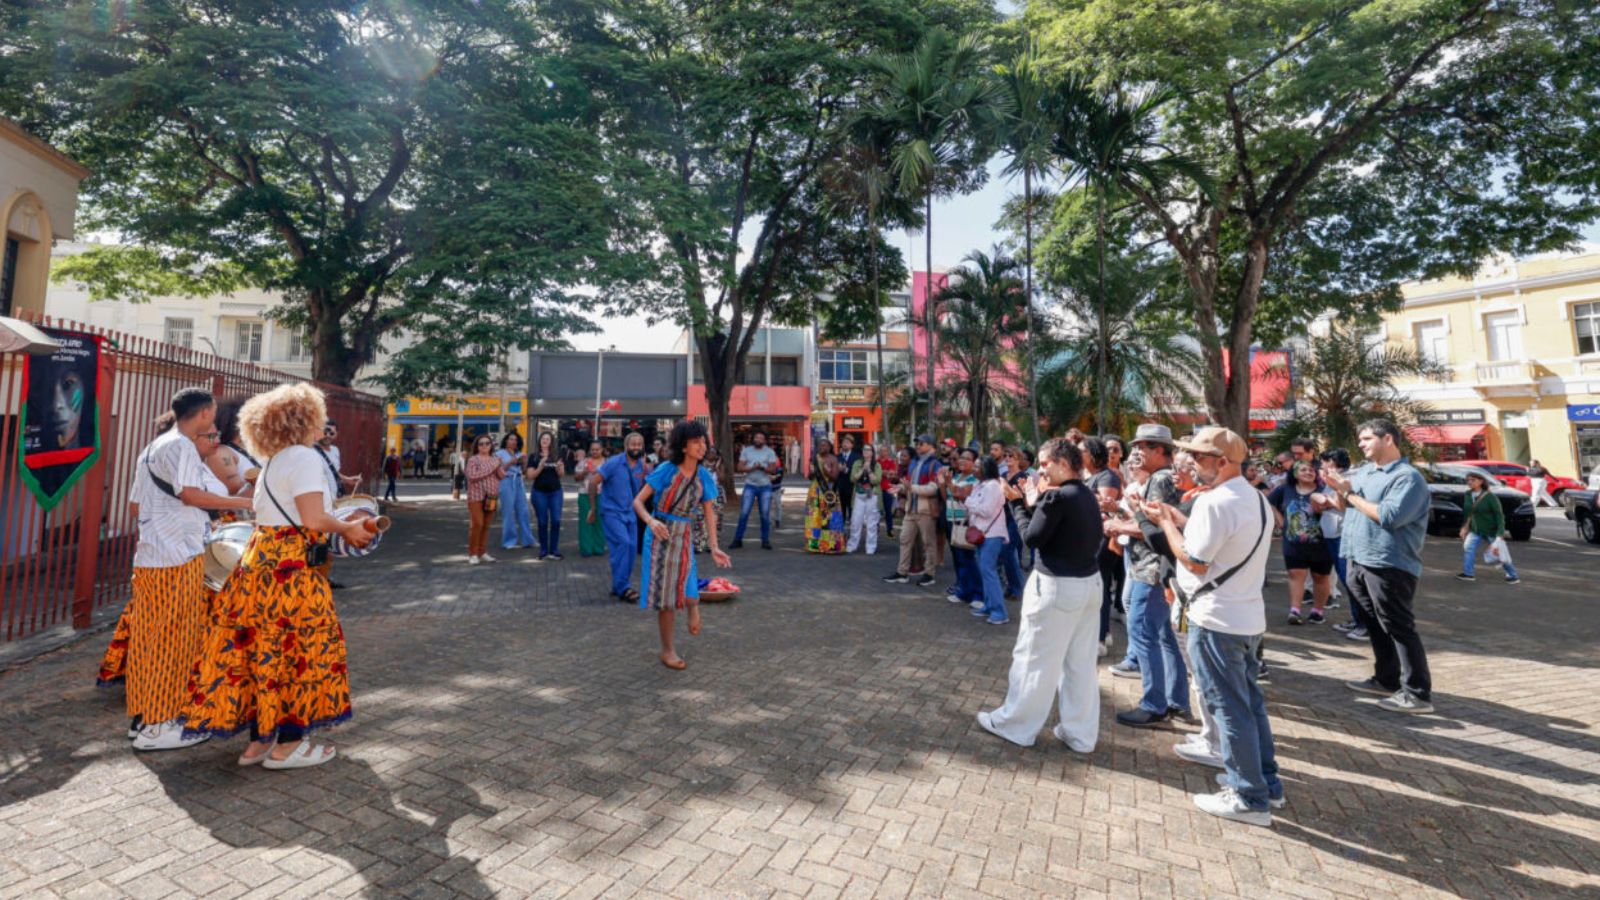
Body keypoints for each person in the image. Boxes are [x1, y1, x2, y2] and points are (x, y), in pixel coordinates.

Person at [182, 383, 373, 768]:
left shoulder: (273, 460)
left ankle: (258, 744)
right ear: (303, 420)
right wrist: (350, 529)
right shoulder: (304, 457)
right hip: (290, 567)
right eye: (317, 416)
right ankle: (288, 745)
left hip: (258, 563)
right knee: (302, 651)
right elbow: (314, 519)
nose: (323, 423)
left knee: (262, 651)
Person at [1144, 426, 1283, 826]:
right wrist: (1176, 517)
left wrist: (1167, 525)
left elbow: (1195, 561)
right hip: (1246, 616)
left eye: (1199, 458)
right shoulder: (1253, 498)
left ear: (1221, 462)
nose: (1191, 464)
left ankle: (1248, 795)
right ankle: (1266, 784)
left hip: (1216, 619)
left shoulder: (1216, 502)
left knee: (1229, 708)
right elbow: (1221, 544)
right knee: (1250, 704)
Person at [118, 390, 252, 751]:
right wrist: (243, 502)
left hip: (152, 557)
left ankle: (145, 718)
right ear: (206, 413)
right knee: (172, 643)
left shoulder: (155, 447)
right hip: (176, 557)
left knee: (149, 642)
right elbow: (191, 495)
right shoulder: (180, 447)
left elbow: (134, 506)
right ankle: (159, 727)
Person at [977, 438, 1104, 750]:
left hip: (1058, 586)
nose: (1041, 471)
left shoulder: (1060, 497)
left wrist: (1016, 503)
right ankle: (1080, 733)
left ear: (1063, 463)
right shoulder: (1085, 494)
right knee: (1080, 664)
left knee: (1035, 658)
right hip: (1088, 585)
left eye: (1045, 464)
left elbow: (1032, 538)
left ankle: (1016, 724)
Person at [1322, 419, 1436, 714]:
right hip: (1357, 557)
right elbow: (1344, 505)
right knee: (1374, 623)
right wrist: (1338, 488)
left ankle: (1417, 693)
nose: (1361, 444)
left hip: (1388, 562)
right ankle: (1386, 678)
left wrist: (1349, 493)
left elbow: (1389, 516)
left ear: (1389, 440)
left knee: (1398, 625)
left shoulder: (1407, 478)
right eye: (1360, 439)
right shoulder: (1365, 472)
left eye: (1367, 438)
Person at [1106, 423, 1189, 728]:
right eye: (1137, 446)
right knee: (1164, 635)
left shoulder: (1160, 479)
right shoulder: (1163, 477)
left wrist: (1118, 526)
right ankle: (1176, 700)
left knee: (1143, 632)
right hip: (1158, 567)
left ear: (1159, 450)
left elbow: (1153, 529)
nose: (1137, 452)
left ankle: (1154, 703)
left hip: (1151, 568)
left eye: (1143, 446)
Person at [634, 420, 732, 670]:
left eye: (703, 441)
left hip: (684, 535)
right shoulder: (666, 469)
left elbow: (710, 513)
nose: (702, 446)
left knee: (688, 587)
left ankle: (693, 608)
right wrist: (650, 521)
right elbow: (637, 502)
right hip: (660, 536)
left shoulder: (704, 476)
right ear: (683, 446)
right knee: (666, 596)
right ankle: (667, 650)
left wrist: (714, 546)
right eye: (696, 442)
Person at [1268, 460, 1333, 625]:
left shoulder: (1323, 490)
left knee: (1321, 577)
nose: (1308, 472)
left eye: (1311, 470)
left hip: (1321, 544)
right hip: (1293, 544)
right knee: (1296, 575)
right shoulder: (1284, 490)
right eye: (1303, 469)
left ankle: (1318, 611)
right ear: (1295, 474)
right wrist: (1280, 520)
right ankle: (1294, 611)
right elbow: (1269, 502)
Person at [1082, 437, 1124, 658]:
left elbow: (1106, 509)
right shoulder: (1091, 476)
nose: (1079, 455)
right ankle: (1103, 631)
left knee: (1100, 585)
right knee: (1100, 585)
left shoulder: (1107, 476)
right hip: (1091, 538)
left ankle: (1099, 637)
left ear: (1093, 454)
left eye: (1083, 451)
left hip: (1103, 540)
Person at [883, 435, 943, 587]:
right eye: (917, 443)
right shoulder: (915, 462)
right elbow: (909, 483)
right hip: (911, 508)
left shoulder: (935, 464)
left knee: (928, 543)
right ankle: (902, 572)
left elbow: (934, 488)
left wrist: (910, 488)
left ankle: (929, 574)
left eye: (921, 443)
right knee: (904, 540)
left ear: (931, 446)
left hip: (926, 509)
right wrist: (901, 487)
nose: (918, 446)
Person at [598, 433, 650, 602]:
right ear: (626, 445)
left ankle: (618, 585)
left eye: (639, 444)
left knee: (631, 549)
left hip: (630, 513)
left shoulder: (642, 467)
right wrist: (593, 508)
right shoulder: (613, 463)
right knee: (623, 544)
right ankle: (624, 587)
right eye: (633, 444)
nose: (636, 447)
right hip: (612, 512)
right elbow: (593, 482)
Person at [963, 456, 1012, 625]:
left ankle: (1000, 611)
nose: (974, 469)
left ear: (986, 469)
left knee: (989, 572)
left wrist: (967, 500)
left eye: (977, 466)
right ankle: (989, 605)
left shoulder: (993, 487)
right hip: (981, 534)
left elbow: (986, 511)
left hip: (992, 535)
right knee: (984, 571)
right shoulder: (979, 485)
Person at [1457, 470, 1522, 585]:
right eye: (1468, 480)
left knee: (1499, 553)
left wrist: (1500, 533)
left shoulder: (1490, 497)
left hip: (1491, 530)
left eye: (1473, 480)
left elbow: (1499, 515)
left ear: (1481, 481)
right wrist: (1464, 527)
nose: (1470, 482)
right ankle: (1468, 574)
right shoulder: (1468, 494)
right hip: (1475, 530)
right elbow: (1468, 513)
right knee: (1468, 549)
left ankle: (1513, 575)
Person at [731, 430, 778, 550]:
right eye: (756, 437)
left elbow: (773, 470)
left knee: (764, 515)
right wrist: (752, 468)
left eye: (761, 438)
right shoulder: (747, 450)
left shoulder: (770, 452)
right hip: (749, 486)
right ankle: (737, 539)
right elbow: (739, 467)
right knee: (744, 514)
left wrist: (762, 468)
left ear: (765, 440)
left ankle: (765, 540)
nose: (758, 440)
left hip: (765, 486)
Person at [464, 435, 505, 564]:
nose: (484, 446)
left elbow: (501, 475)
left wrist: (500, 466)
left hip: (492, 496)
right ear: (477, 446)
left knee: (486, 525)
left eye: (487, 443)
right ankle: (473, 553)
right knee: (477, 524)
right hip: (476, 496)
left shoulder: (495, 459)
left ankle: (482, 552)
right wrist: (492, 467)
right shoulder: (473, 460)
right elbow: (472, 476)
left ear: (491, 445)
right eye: (481, 444)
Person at [527, 432, 565, 560]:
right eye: (543, 438)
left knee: (556, 520)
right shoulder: (534, 456)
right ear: (539, 441)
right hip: (539, 492)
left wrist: (559, 468)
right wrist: (540, 466)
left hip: (555, 492)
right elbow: (530, 476)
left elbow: (561, 474)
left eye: (548, 439)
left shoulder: (556, 455)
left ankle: (554, 549)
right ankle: (543, 549)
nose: (545, 440)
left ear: (551, 441)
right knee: (542, 521)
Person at [496, 432, 535, 550]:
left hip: (518, 481)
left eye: (515, 440)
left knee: (523, 511)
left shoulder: (520, 453)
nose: (513, 442)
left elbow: (524, 472)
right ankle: (509, 541)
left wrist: (524, 463)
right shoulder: (499, 454)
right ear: (506, 441)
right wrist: (510, 463)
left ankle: (527, 540)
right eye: (510, 439)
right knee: (508, 512)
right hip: (506, 481)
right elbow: (497, 470)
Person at [806, 438, 845, 553]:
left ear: (830, 447)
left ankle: (832, 545)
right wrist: (812, 473)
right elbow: (810, 477)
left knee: (832, 518)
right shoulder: (814, 459)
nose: (823, 447)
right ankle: (814, 545)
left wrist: (826, 470)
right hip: (815, 491)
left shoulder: (833, 459)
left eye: (825, 445)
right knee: (814, 518)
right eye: (821, 445)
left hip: (829, 492)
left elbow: (835, 477)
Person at [846, 443, 884, 554]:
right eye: (864, 449)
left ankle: (871, 547)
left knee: (871, 523)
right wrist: (863, 469)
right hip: (859, 495)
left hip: (872, 496)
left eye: (868, 450)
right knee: (855, 521)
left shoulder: (877, 465)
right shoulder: (857, 463)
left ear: (872, 452)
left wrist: (869, 470)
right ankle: (852, 544)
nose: (866, 452)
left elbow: (876, 480)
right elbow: (853, 478)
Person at [575, 442, 608, 557]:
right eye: (593, 449)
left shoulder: (607, 463)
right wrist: (584, 472)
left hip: (602, 495)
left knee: (600, 521)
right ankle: (586, 548)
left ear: (602, 449)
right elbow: (576, 477)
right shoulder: (584, 462)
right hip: (584, 494)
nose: (595, 452)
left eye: (597, 449)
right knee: (586, 520)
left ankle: (598, 547)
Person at [314, 418, 362, 497]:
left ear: (336, 434)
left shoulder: (335, 450)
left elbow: (333, 472)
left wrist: (348, 479)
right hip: (320, 499)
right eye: (325, 432)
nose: (327, 435)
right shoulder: (312, 451)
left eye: (331, 433)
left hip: (334, 498)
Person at [693, 446, 727, 554]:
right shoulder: (700, 465)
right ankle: (699, 544)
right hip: (702, 492)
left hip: (717, 492)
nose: (710, 454)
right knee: (700, 518)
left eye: (713, 452)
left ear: (717, 455)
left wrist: (716, 467)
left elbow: (722, 479)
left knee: (716, 518)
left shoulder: (720, 466)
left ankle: (711, 545)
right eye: (709, 452)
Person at [836, 435, 861, 524]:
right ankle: (841, 531)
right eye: (843, 442)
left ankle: (853, 528)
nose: (845, 444)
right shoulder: (837, 457)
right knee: (841, 510)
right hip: (840, 487)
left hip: (852, 487)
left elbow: (858, 472)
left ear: (852, 445)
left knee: (852, 509)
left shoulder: (857, 457)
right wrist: (838, 470)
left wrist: (846, 470)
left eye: (847, 443)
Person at [879, 445, 900, 540]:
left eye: (885, 451)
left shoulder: (891, 462)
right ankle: (875, 530)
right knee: (877, 511)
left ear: (887, 452)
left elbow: (891, 474)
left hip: (888, 488)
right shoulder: (876, 461)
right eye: (882, 451)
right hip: (878, 489)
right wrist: (884, 472)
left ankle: (889, 530)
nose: (883, 452)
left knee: (888, 511)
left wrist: (882, 472)